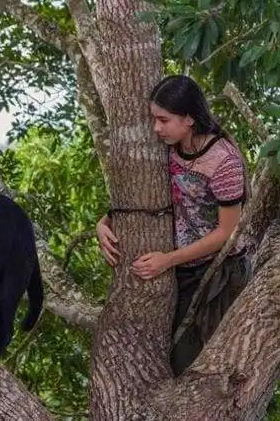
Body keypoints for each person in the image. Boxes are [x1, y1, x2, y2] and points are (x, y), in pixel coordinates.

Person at [95, 74, 252, 376]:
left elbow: (227, 233)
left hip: (218, 270)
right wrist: (103, 223)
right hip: (182, 267)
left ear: (190, 118)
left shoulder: (224, 161)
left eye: (163, 120)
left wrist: (168, 260)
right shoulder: (167, 147)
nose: (156, 128)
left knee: (192, 365)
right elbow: (140, 196)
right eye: (154, 119)